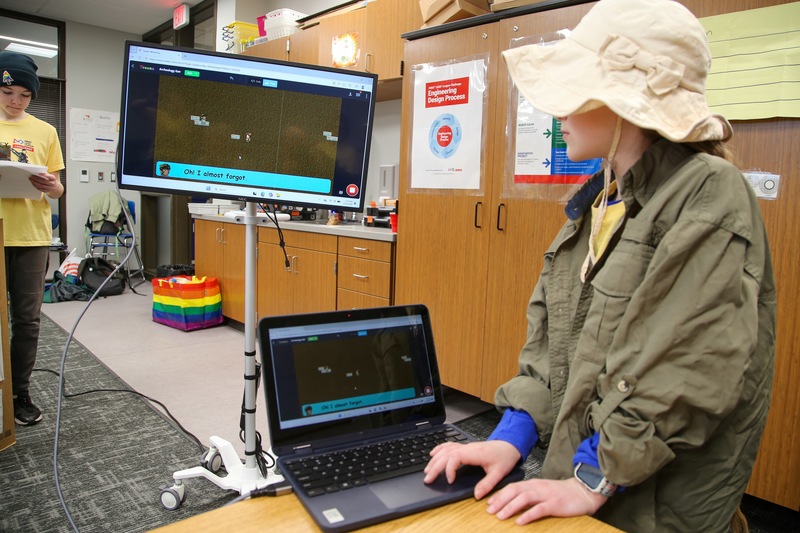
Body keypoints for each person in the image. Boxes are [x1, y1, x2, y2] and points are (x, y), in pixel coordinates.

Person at [422, 1, 776, 531]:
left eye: (576, 87)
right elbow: (552, 353)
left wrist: (593, 478)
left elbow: (683, 370)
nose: (557, 110)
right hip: (588, 485)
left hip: (652, 508)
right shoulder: (601, 203)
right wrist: (508, 440)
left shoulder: (708, 194)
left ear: (625, 103)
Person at [0, 51, 65, 426]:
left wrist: (54, 186)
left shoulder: (45, 131)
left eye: (24, 95)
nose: (15, 101)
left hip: (31, 236)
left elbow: (56, 191)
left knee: (27, 321)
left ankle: (18, 391)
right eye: (9, 91)